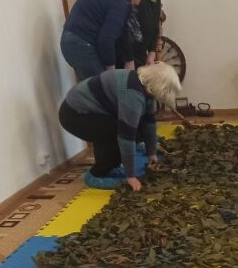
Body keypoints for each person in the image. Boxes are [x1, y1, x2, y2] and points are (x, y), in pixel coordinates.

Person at [58, 62, 181, 191]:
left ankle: (111, 167)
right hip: (75, 115)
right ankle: (96, 175)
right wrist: (130, 176)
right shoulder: (132, 95)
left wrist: (151, 153)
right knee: (115, 134)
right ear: (157, 87)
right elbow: (126, 137)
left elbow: (149, 122)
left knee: (135, 130)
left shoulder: (145, 86)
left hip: (93, 112)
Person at [60, 0, 149, 80]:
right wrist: (111, 73)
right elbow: (106, 39)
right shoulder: (120, 3)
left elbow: (123, 33)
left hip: (71, 41)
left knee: (91, 86)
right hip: (81, 43)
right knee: (103, 86)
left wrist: (129, 60)